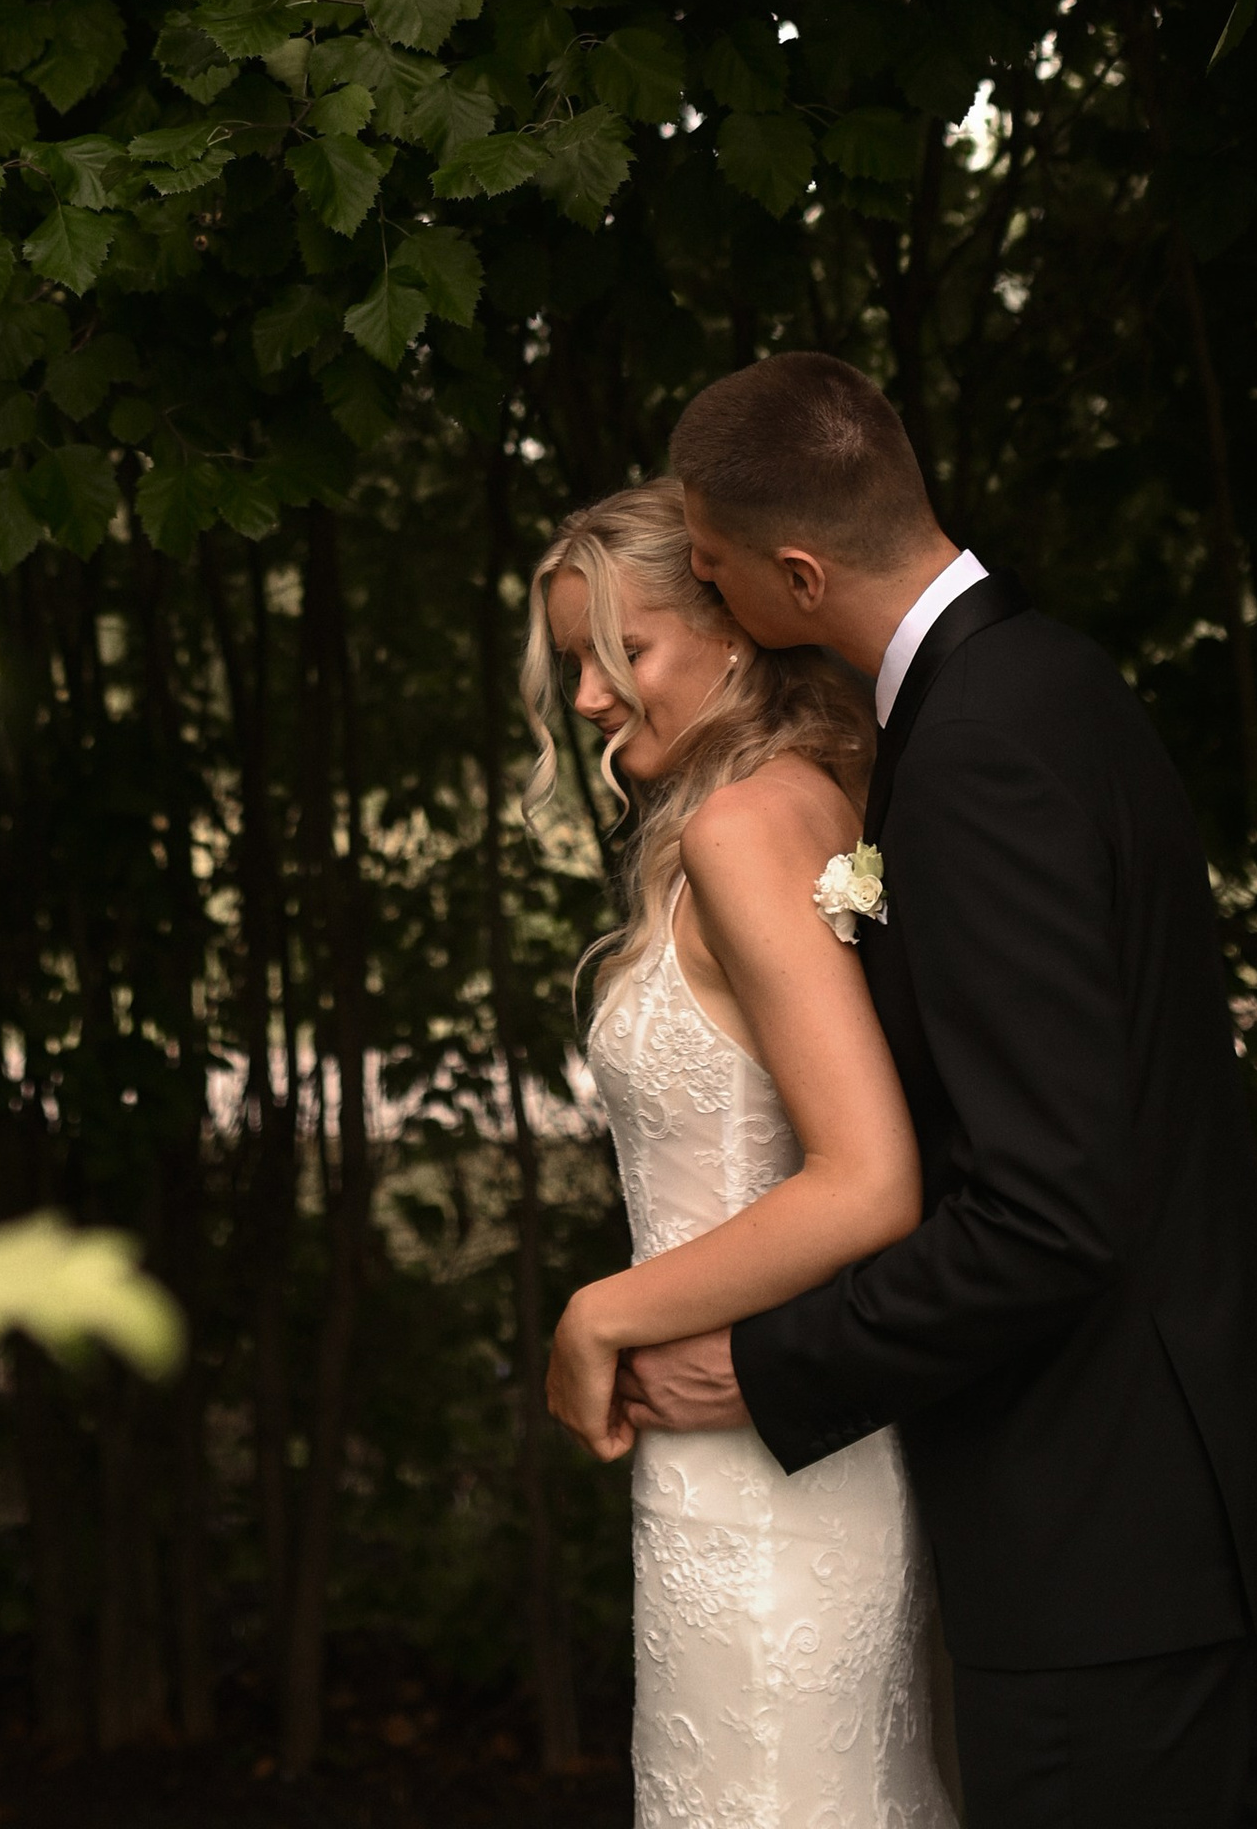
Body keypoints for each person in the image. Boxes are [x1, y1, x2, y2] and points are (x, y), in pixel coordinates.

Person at [614, 349, 1257, 1829]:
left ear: (800, 575)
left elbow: (1049, 1211)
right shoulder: (1050, 680)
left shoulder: (977, 753)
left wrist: (764, 1368)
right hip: (1153, 1517)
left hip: (1105, 1537)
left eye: (713, 571)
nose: (711, 597)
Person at [525, 479, 960, 1829]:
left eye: (622, 650)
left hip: (767, 1465)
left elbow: (870, 1179)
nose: (590, 697)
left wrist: (601, 1314)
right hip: (757, 1441)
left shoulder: (745, 830)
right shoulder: (821, 803)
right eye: (574, 663)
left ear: (729, 627)